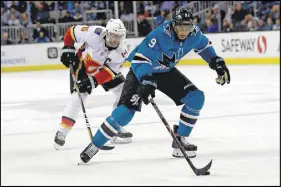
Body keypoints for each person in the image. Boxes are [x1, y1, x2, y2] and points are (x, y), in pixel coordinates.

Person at [79, 8, 231, 163]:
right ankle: (95, 144)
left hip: (165, 72)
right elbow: (140, 59)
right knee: (126, 112)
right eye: (180, 27)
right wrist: (147, 80)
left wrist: (216, 63)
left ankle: (180, 141)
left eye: (187, 27)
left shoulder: (194, 34)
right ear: (173, 25)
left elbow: (204, 46)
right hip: (142, 70)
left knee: (196, 98)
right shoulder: (159, 35)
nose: (184, 31)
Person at [54, 19, 133, 150]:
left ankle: (114, 127)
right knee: (79, 98)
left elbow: (111, 71)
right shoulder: (94, 33)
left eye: (118, 36)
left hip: (103, 69)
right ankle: (62, 132)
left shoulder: (122, 52)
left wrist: (94, 81)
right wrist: (67, 48)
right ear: (107, 33)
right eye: (113, 35)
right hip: (83, 66)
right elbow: (71, 32)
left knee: (124, 91)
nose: (115, 39)